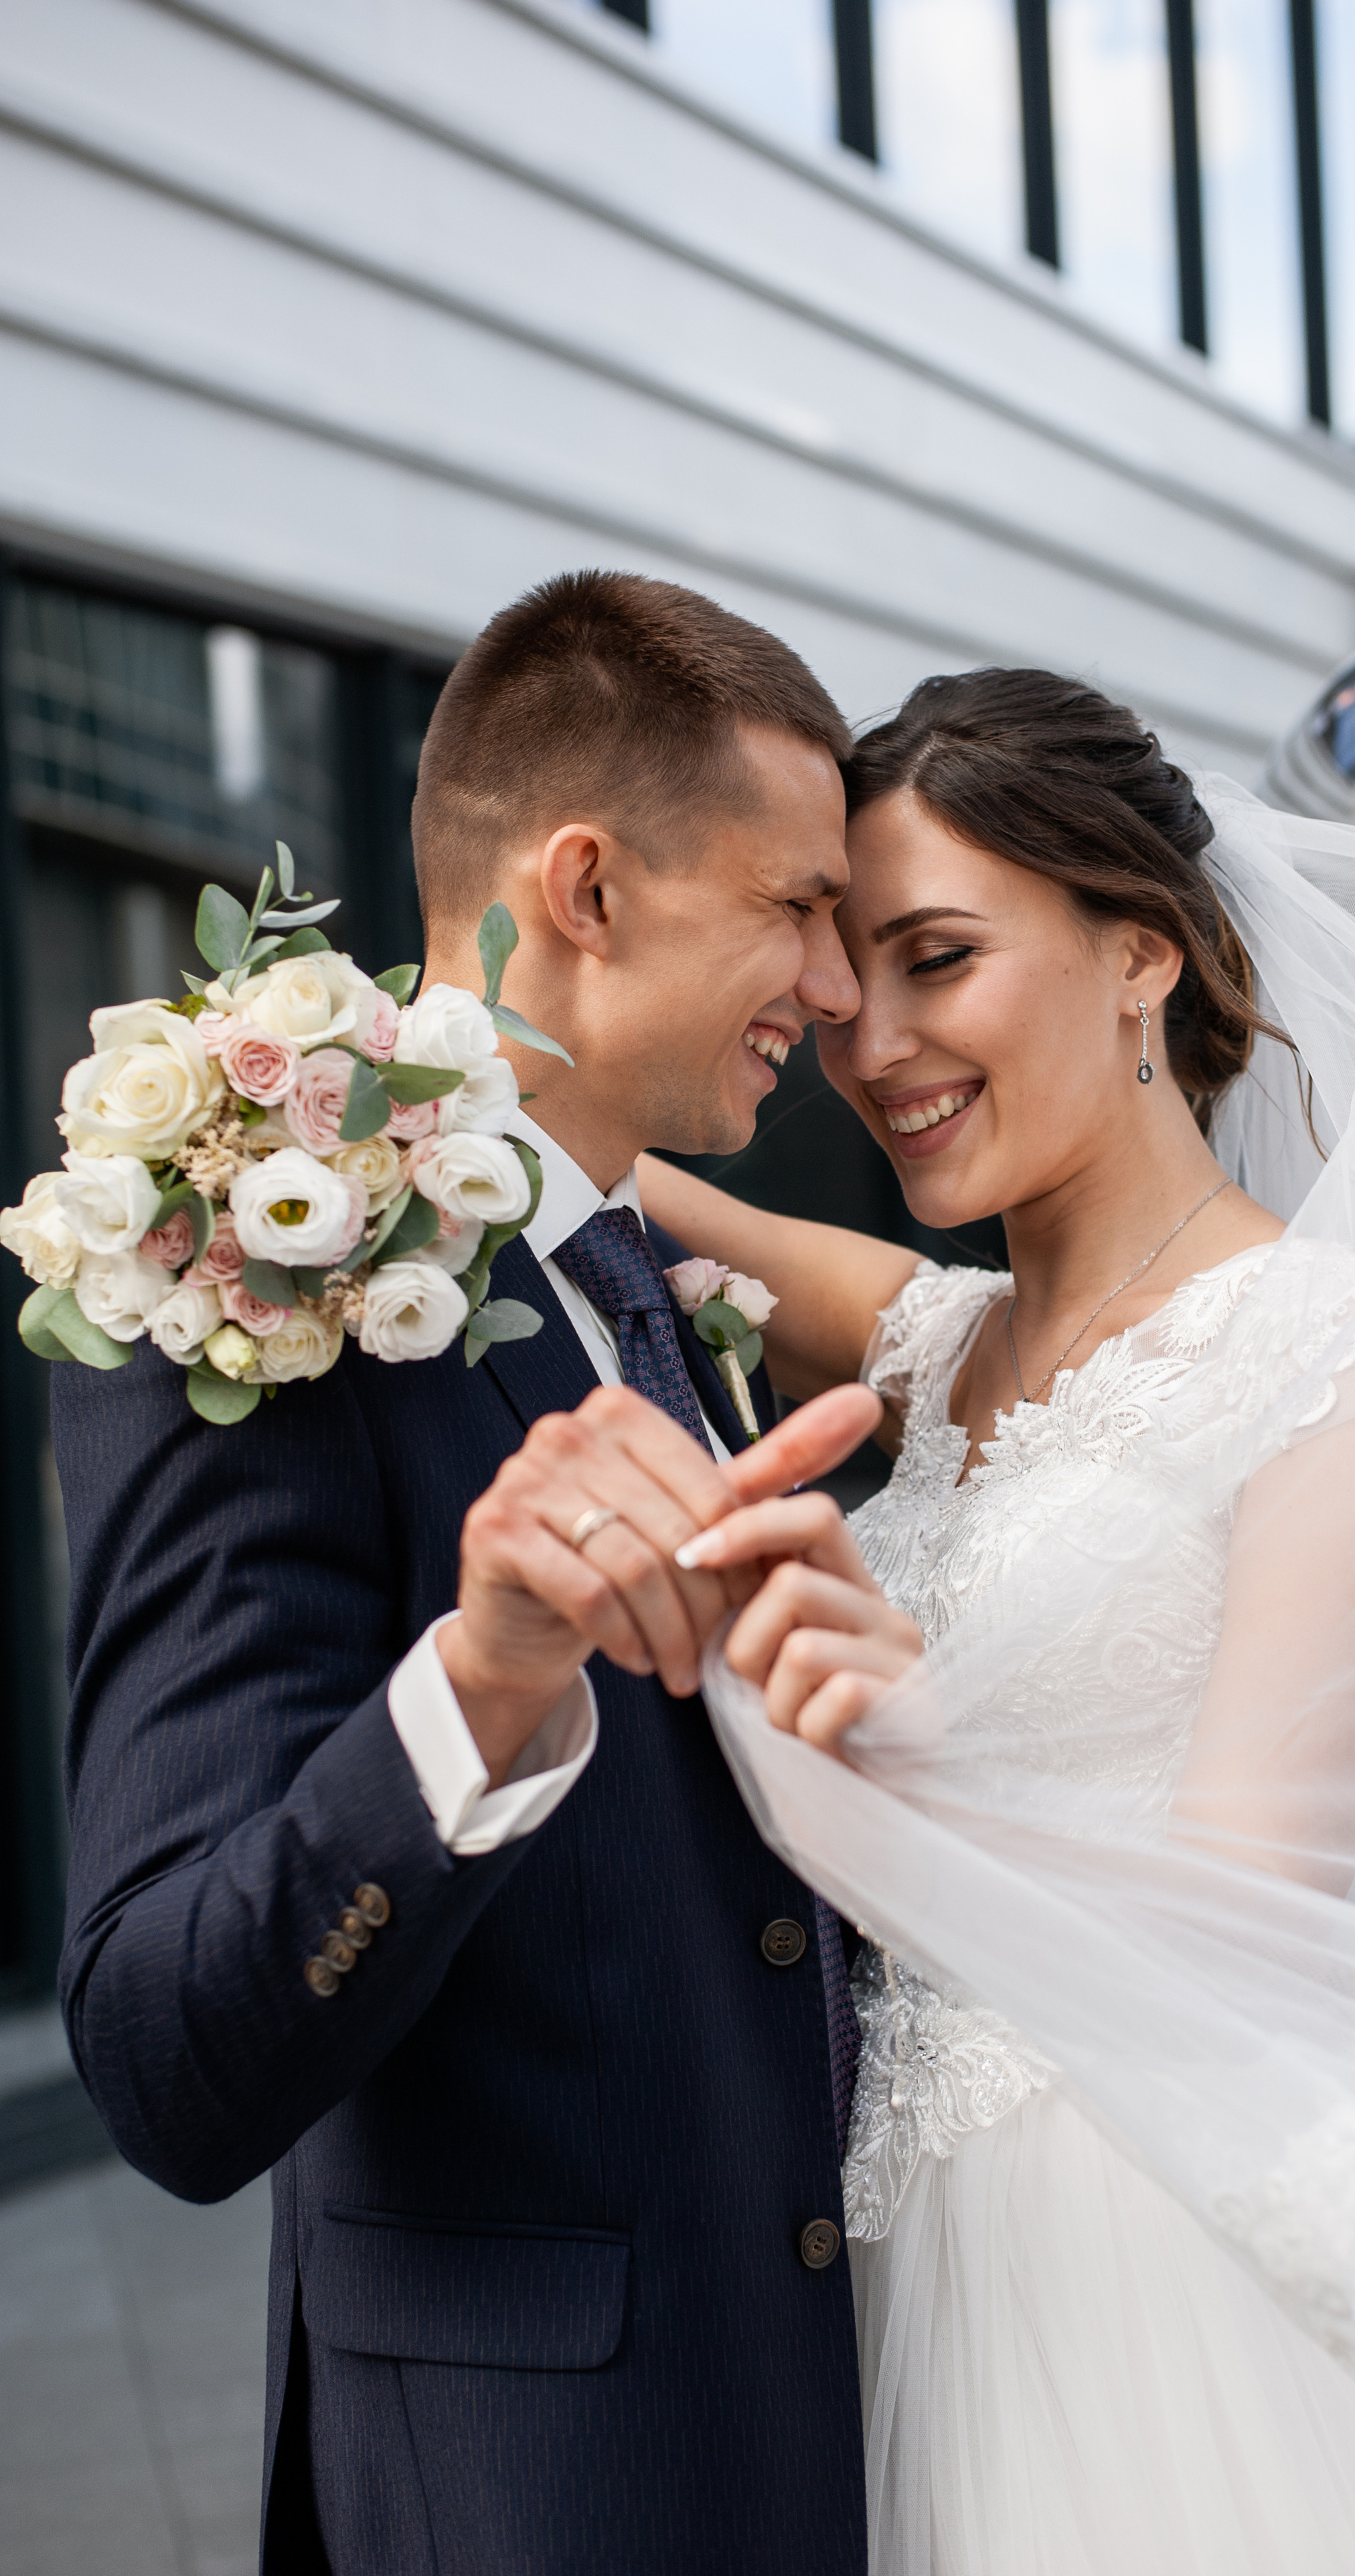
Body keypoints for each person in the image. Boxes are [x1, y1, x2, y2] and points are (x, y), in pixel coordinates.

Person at [641, 667, 1355, 2573]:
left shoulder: (1340, 1366)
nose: (869, 1043)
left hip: (1156, 2277)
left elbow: (1242, 1932)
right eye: (843, 978)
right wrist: (368, 1091)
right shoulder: (945, 1341)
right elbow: (595, 1179)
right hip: (892, 2255)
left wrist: (865, 1784)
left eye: (939, 960)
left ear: (1141, 955)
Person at [53, 571, 886, 2576]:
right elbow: (168, 2055)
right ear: (585, 890)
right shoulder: (256, 1272)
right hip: (539, 2502)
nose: (840, 988)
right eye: (796, 906)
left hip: (804, 2432)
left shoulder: (651, 1278)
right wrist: (483, 1678)